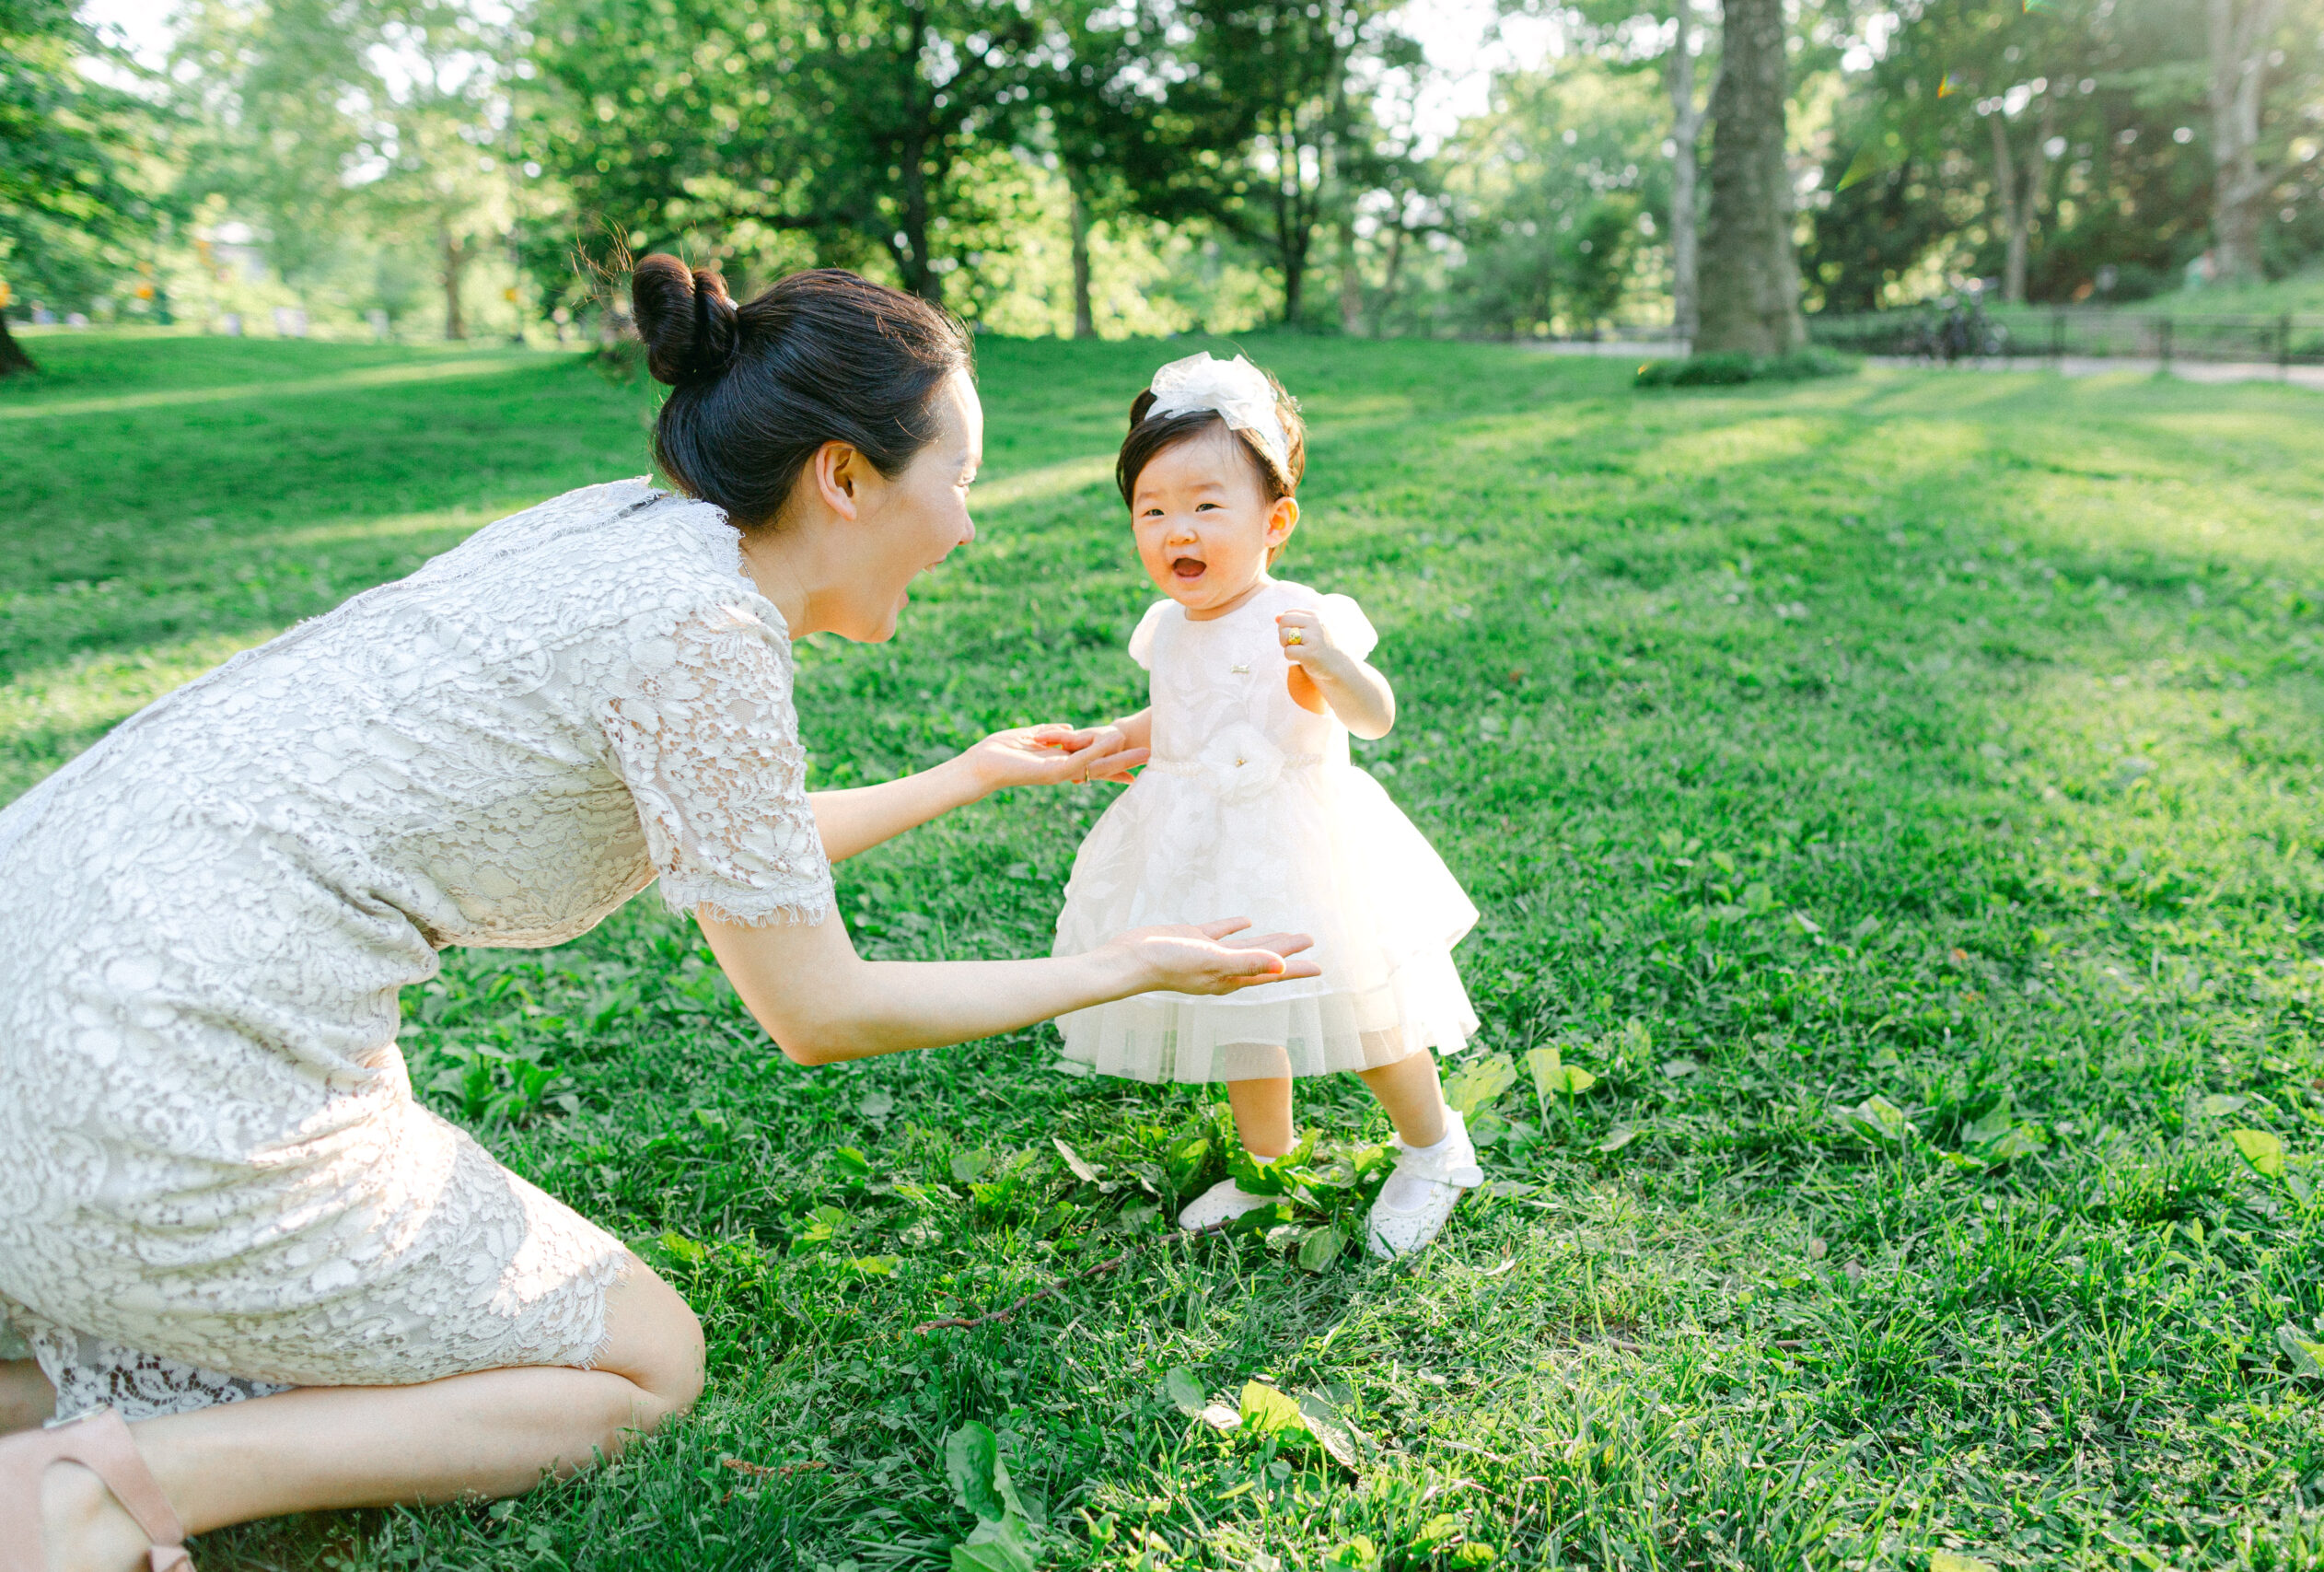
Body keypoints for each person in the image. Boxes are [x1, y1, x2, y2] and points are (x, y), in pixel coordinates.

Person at [0, 261, 1317, 1572]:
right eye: (957, 482)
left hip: (36, 962)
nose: (967, 526)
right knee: (645, 1362)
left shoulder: (617, 531)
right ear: (846, 478)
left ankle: (54, 1347)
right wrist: (1123, 963)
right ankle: (100, 1493)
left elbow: (734, 835)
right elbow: (821, 1010)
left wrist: (965, 773)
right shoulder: (704, 624)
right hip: (161, 1073)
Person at [1051, 352, 1485, 1263]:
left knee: (1364, 1010)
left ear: (1273, 520)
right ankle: (1266, 1165)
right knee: (1236, 1012)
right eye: (1153, 509)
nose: (1179, 528)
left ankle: (1435, 1148)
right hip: (1201, 847)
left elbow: (1372, 716)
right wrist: (1122, 738)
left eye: (1208, 505)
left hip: (1301, 848)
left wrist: (1332, 663)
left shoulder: (1297, 615)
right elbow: (1182, 710)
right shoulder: (1167, 626)